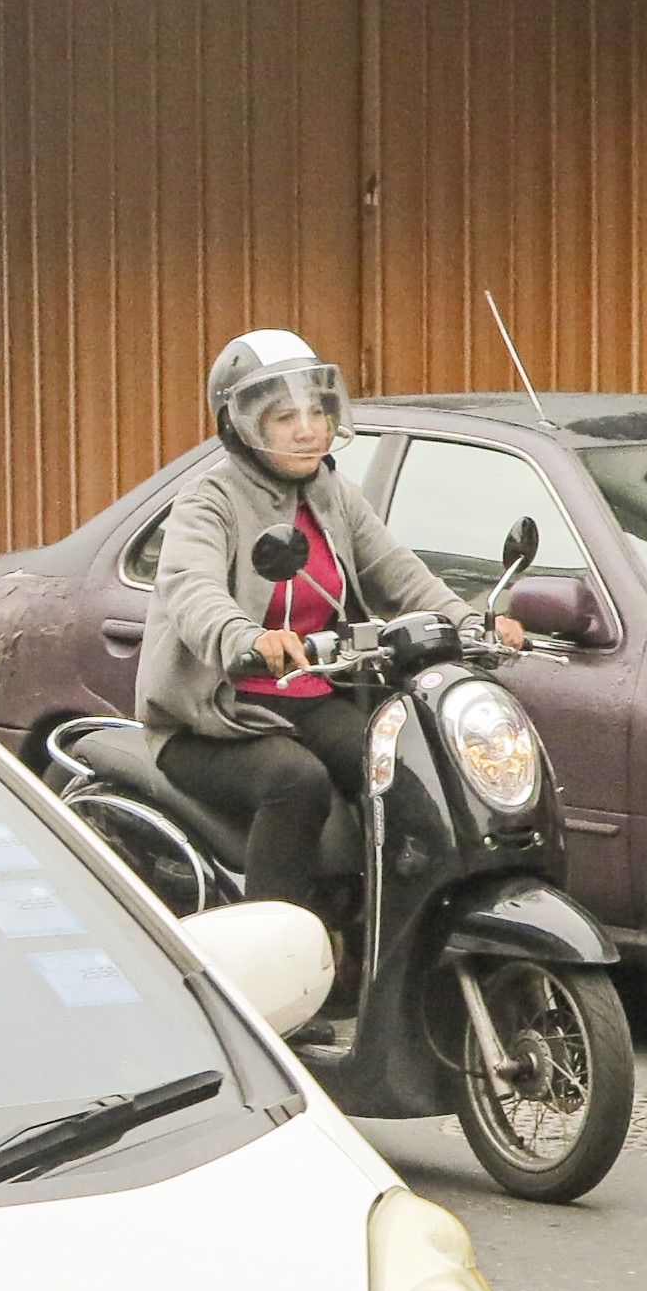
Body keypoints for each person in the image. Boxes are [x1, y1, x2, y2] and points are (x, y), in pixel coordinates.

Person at [138, 329, 524, 920]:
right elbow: (192, 588)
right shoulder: (209, 500)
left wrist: (475, 624)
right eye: (284, 417)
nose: (308, 429)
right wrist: (246, 637)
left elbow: (400, 573)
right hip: (217, 715)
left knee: (401, 762)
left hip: (310, 697)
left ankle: (382, 926)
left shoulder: (333, 492)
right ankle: (270, 950)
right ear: (242, 426)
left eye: (316, 411)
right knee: (296, 780)